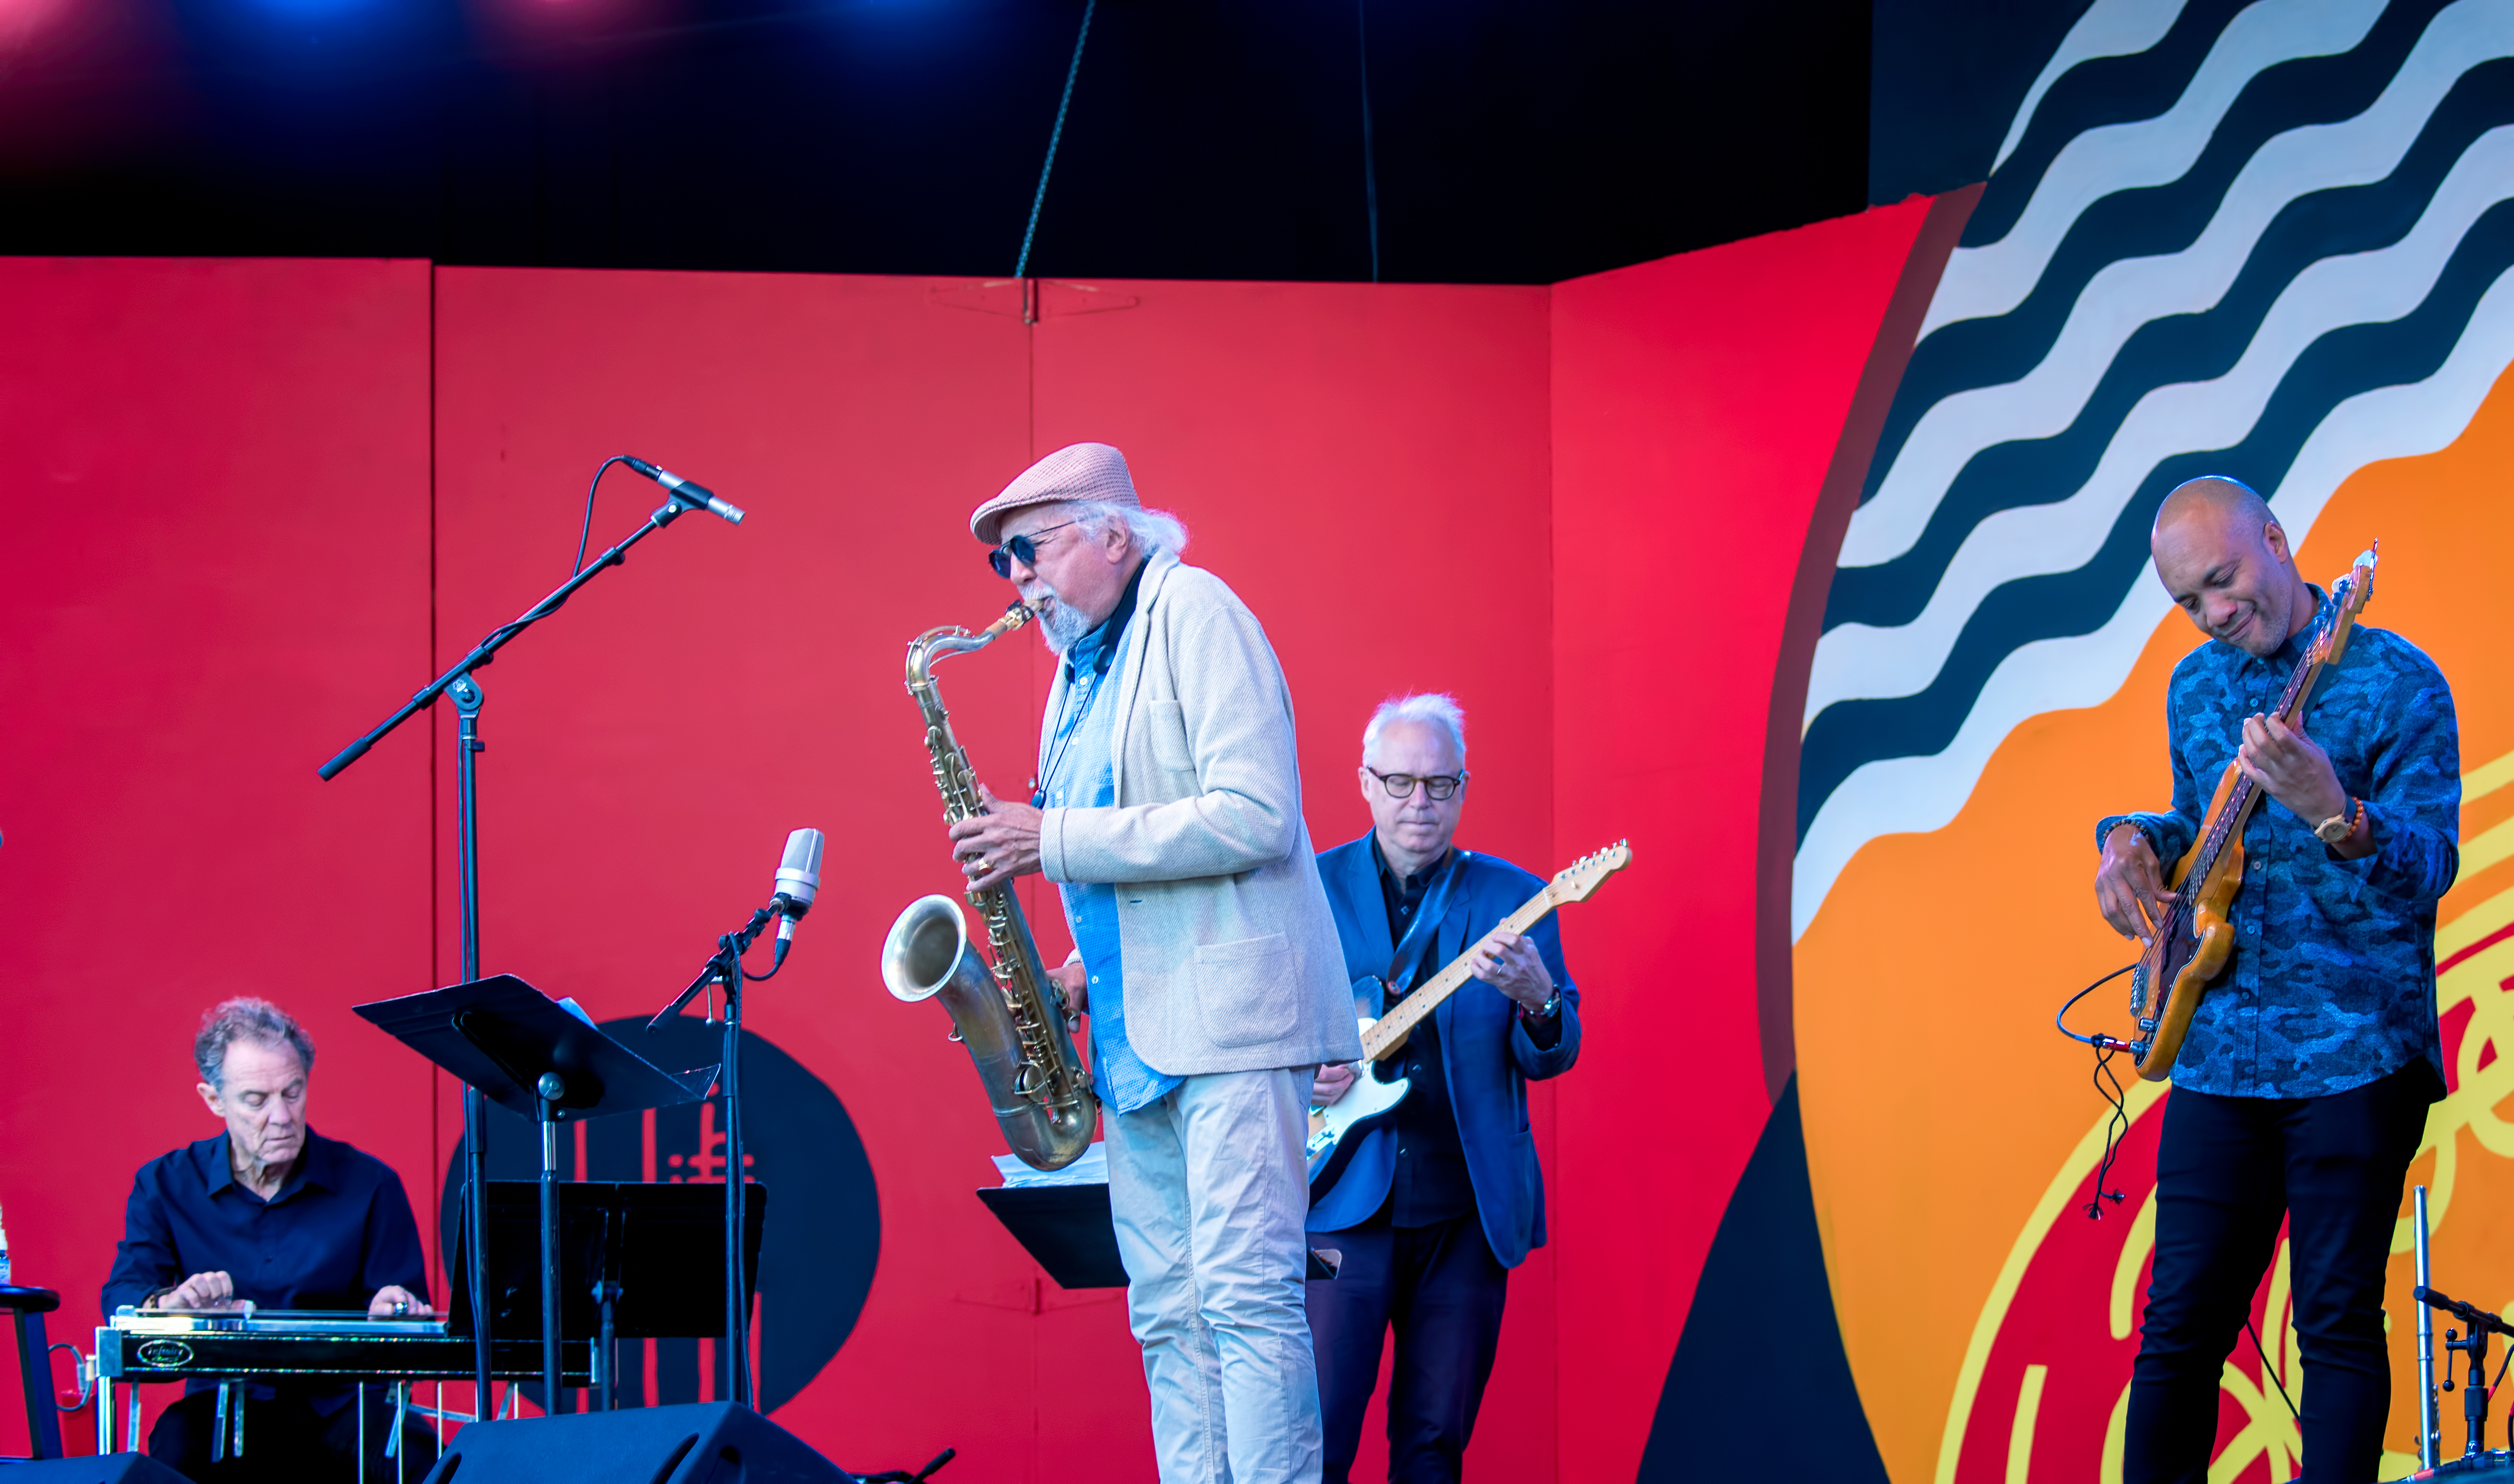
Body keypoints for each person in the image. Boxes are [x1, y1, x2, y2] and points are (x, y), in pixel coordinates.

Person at [944, 442, 1363, 1484]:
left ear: (1111, 534)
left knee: (1245, 1295)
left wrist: (1049, 839)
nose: (1017, 582)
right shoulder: (1073, 675)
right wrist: (1084, 965)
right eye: (1004, 565)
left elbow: (1257, 815)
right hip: (1140, 1037)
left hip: (1231, 1026)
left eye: (1028, 552)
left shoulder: (1198, 612)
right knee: (1168, 1310)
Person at [2095, 476, 2458, 1483]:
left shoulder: (2399, 683)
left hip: (2352, 1050)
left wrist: (2335, 808)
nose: (2213, 614)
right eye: (2187, 602)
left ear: (2277, 538)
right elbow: (2197, 826)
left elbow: (2432, 864)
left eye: (2220, 581)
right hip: (2218, 1048)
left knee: (2335, 1321)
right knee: (2178, 1331)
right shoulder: (2195, 687)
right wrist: (2126, 843)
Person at [1304, 694, 1580, 1484]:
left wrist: (1540, 998)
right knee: (1314, 1441)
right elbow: (1252, 1030)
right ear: (1365, 782)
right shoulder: (1309, 891)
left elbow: (1554, 1053)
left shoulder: (1520, 899)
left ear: (1463, 787)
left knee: (1435, 1448)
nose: (1418, 802)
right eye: (1398, 781)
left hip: (1466, 1214)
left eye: (1438, 783)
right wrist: (1302, 1076)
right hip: (1338, 1206)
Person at [104, 998, 437, 1482]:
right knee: (173, 1445)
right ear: (214, 1099)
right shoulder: (165, 1184)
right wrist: (167, 1304)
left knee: (415, 1456)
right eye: (257, 1100)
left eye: (293, 1092)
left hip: (343, 1404)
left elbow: (406, 1313)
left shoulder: (370, 1184)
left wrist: (396, 1308)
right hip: (222, 1409)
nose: (282, 1116)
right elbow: (123, 1297)